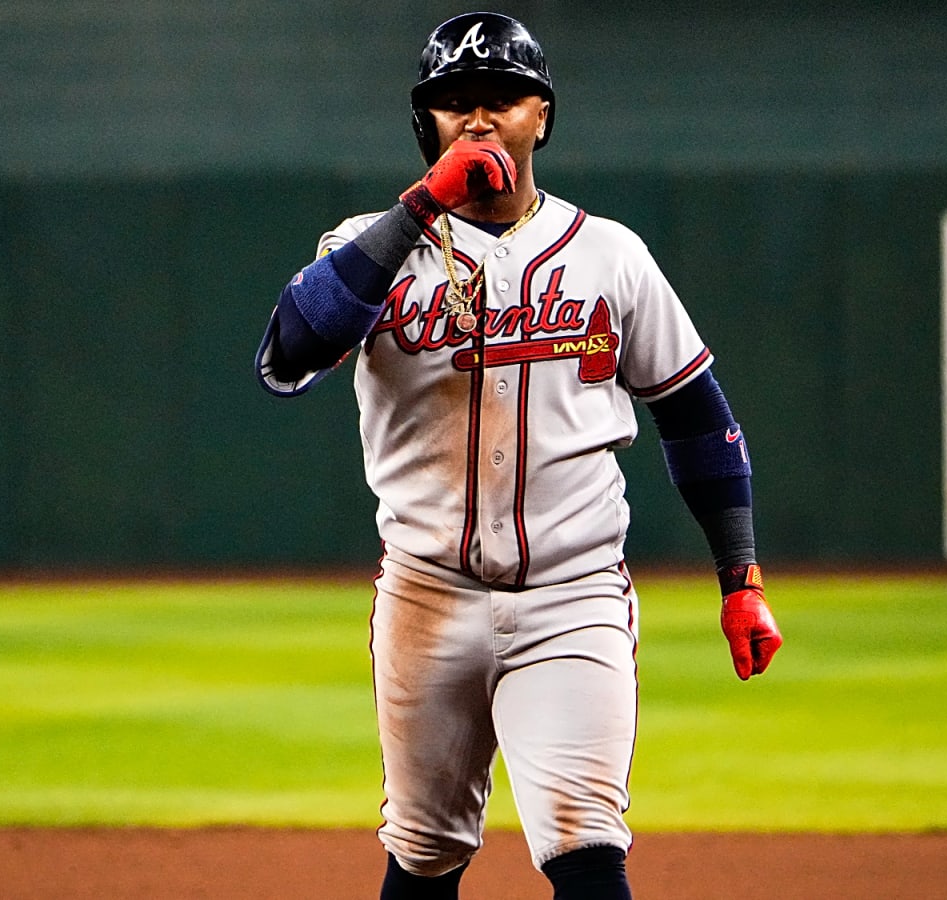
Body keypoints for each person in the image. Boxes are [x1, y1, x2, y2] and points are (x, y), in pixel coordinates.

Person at [255, 12, 782, 899]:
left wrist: (741, 577)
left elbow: (696, 416)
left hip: (572, 595)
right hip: (427, 594)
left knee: (586, 844)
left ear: (542, 114)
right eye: (453, 103)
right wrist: (422, 203)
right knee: (423, 853)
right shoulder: (369, 244)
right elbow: (290, 351)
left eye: (500, 97)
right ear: (426, 123)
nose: (478, 118)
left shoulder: (610, 254)